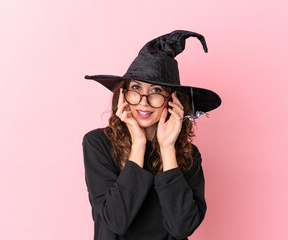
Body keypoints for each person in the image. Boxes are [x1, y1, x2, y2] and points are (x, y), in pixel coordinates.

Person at [82, 30, 222, 240]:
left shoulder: (189, 155)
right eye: (136, 88)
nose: (144, 101)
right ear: (123, 95)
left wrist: (167, 150)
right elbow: (116, 220)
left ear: (173, 101)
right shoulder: (98, 143)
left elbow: (182, 227)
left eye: (156, 91)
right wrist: (138, 143)